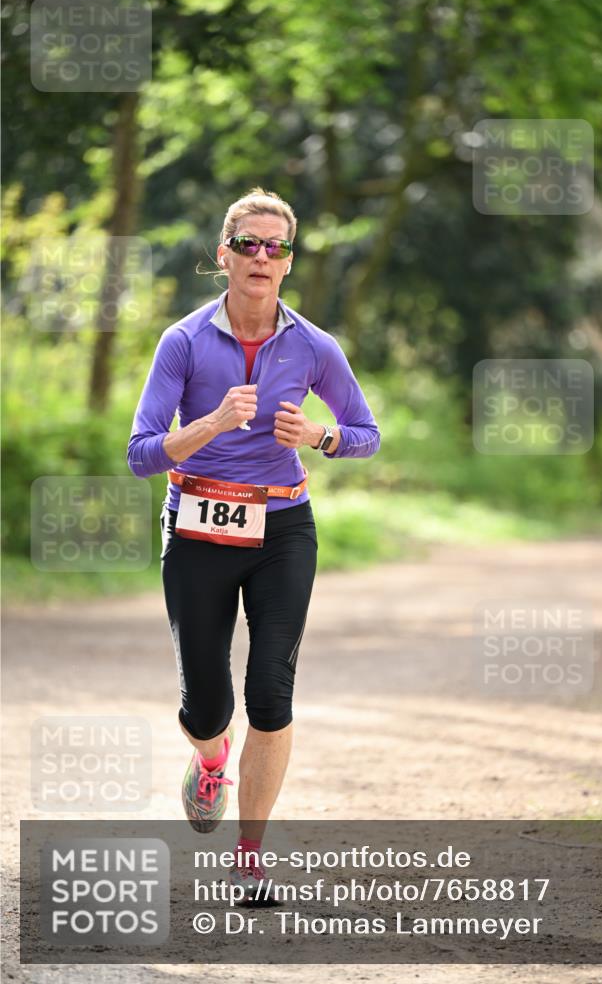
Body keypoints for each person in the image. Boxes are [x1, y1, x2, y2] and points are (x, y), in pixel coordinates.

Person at [127, 187, 380, 902]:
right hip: (199, 528)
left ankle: (249, 856)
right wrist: (207, 424)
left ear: (288, 262)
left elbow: (365, 435)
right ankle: (211, 761)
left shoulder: (312, 345)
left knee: (269, 690)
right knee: (206, 706)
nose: (262, 257)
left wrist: (318, 437)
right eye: (249, 245)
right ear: (224, 256)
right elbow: (142, 452)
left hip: (282, 529)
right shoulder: (182, 341)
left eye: (276, 247)